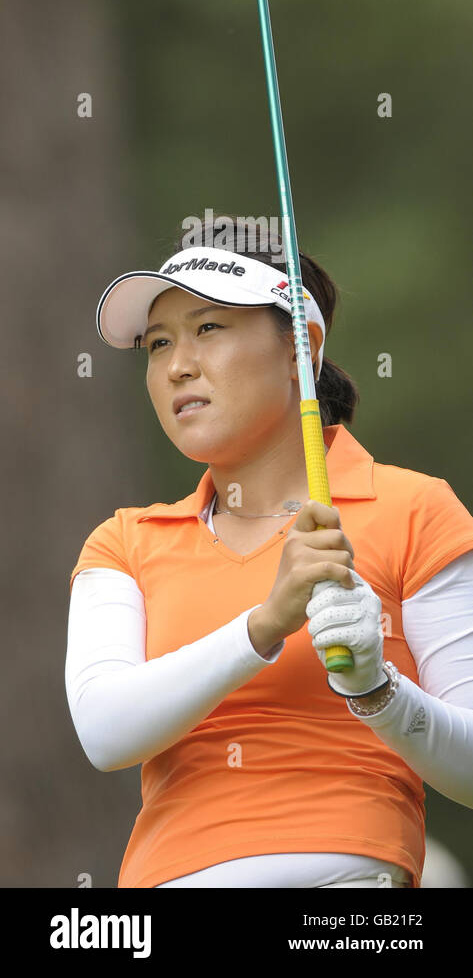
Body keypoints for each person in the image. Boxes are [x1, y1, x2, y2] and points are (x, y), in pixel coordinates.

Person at [65, 217, 473, 889]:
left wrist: (379, 692)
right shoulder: (125, 540)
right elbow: (105, 731)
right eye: (157, 343)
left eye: (208, 329)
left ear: (299, 349)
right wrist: (262, 626)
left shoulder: (417, 510)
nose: (176, 365)